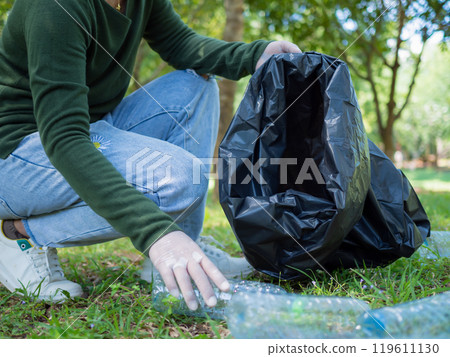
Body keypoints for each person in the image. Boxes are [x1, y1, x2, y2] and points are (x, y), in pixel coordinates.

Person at [0, 0, 301, 310]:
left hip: (92, 126)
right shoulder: (54, 8)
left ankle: (181, 254)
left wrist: (254, 56)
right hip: (17, 154)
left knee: (195, 85)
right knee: (180, 177)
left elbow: (181, 43)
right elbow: (64, 136)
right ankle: (18, 234)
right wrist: (156, 233)